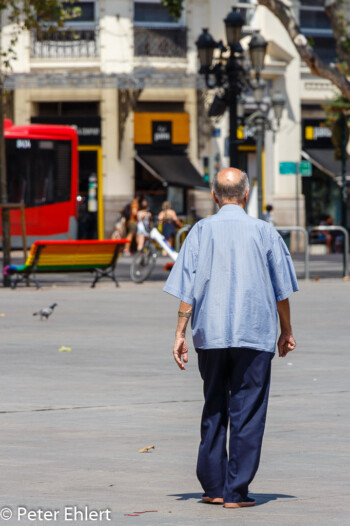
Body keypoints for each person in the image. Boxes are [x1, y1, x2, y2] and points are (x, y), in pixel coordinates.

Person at [163, 168, 298, 509]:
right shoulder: (264, 232)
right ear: (247, 194)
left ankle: (214, 486)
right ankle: (236, 491)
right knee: (248, 410)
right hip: (253, 333)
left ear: (214, 195)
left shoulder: (200, 231)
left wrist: (180, 331)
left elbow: (188, 288)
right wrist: (287, 330)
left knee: (214, 406)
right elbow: (282, 291)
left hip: (211, 334)